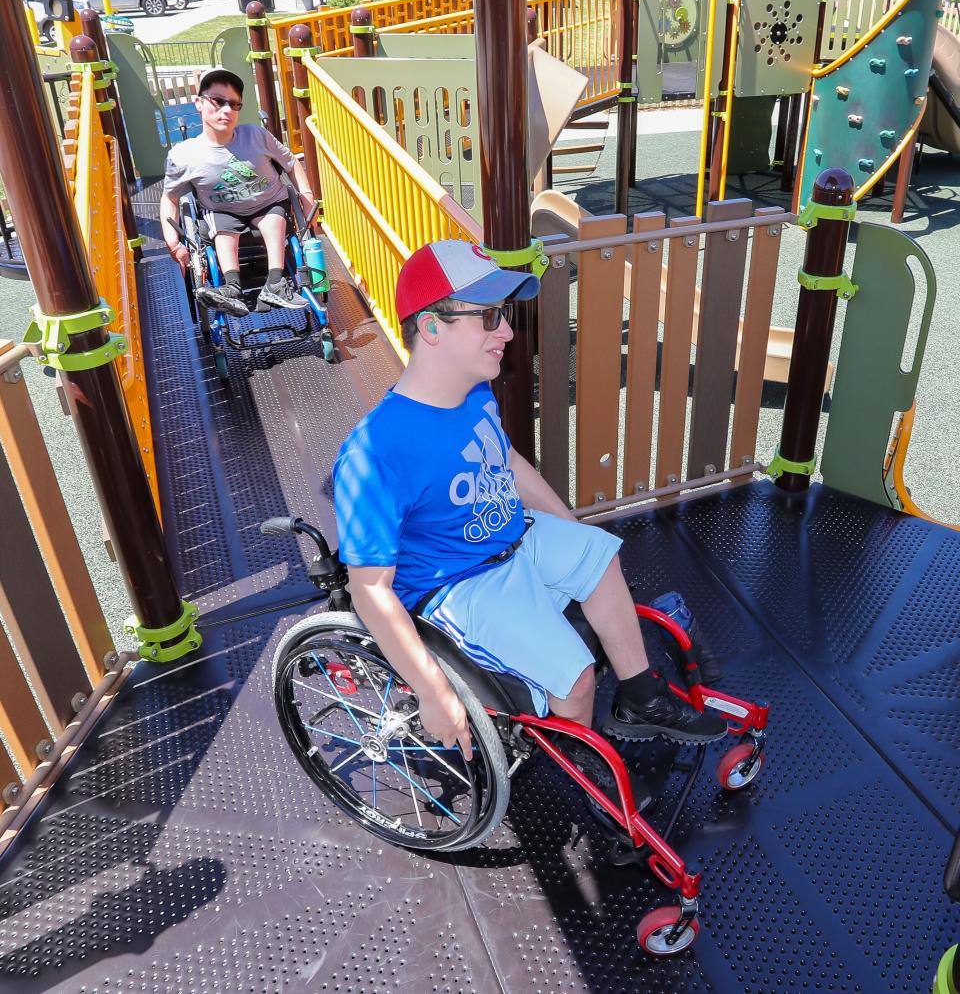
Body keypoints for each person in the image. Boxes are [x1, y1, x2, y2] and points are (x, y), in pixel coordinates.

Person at [333, 240, 726, 805]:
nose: (508, 333)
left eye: (504, 316)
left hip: (512, 540)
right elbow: (369, 590)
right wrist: (432, 690)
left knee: (601, 556)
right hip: (458, 583)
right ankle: (590, 777)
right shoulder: (375, 452)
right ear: (432, 327)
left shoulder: (473, 393)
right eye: (490, 317)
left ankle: (640, 698)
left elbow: (508, 465)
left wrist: (576, 538)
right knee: (576, 680)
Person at [160, 67, 316, 317]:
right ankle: (232, 289)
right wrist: (174, 243)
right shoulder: (183, 155)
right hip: (222, 209)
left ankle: (275, 282)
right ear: (199, 103)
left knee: (274, 219)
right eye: (218, 101)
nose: (226, 110)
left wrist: (307, 197)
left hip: (268, 203)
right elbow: (171, 198)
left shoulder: (256, 135)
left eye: (234, 105)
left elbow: (291, 163)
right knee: (222, 230)